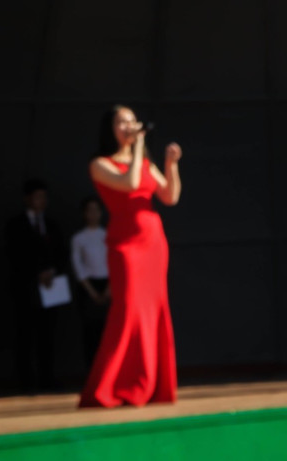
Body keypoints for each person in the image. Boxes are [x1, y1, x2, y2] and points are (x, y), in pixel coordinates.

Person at [79, 105, 182, 408]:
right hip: (126, 243)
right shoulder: (100, 164)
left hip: (153, 243)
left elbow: (170, 196)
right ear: (109, 129)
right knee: (128, 311)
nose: (128, 126)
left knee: (154, 310)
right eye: (121, 122)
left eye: (131, 121)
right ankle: (112, 385)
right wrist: (137, 148)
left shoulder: (145, 162)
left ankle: (151, 383)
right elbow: (130, 184)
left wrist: (170, 164)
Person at [6, 179, 68, 392]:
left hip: (51, 289)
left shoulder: (51, 225)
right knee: (25, 335)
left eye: (44, 197)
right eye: (37, 197)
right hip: (26, 289)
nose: (41, 201)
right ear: (27, 199)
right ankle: (25, 381)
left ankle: (47, 378)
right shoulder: (15, 225)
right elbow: (14, 255)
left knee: (47, 335)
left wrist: (52, 271)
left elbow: (61, 253)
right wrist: (35, 274)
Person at [71, 196, 110, 368]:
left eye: (96, 210)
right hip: (88, 288)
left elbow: (114, 262)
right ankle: (93, 371)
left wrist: (108, 289)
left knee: (108, 331)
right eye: (89, 210)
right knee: (90, 332)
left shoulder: (108, 235)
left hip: (108, 287)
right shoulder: (79, 238)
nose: (93, 214)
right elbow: (78, 266)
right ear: (84, 213)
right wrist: (92, 292)